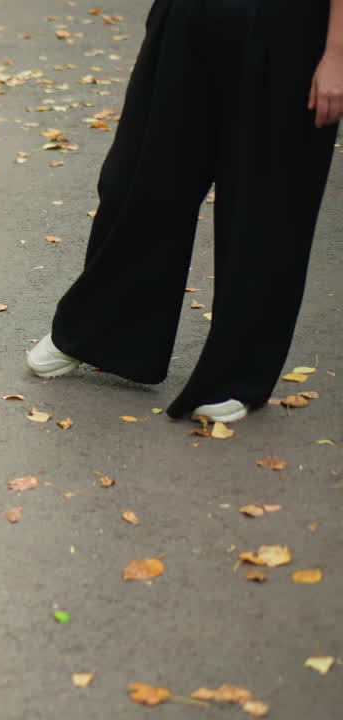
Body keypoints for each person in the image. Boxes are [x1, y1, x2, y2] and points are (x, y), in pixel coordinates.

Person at [27, 0, 343, 423]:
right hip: (190, 17)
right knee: (136, 180)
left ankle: (237, 375)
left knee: (266, 207)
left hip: (288, 27)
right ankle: (100, 332)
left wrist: (337, 53)